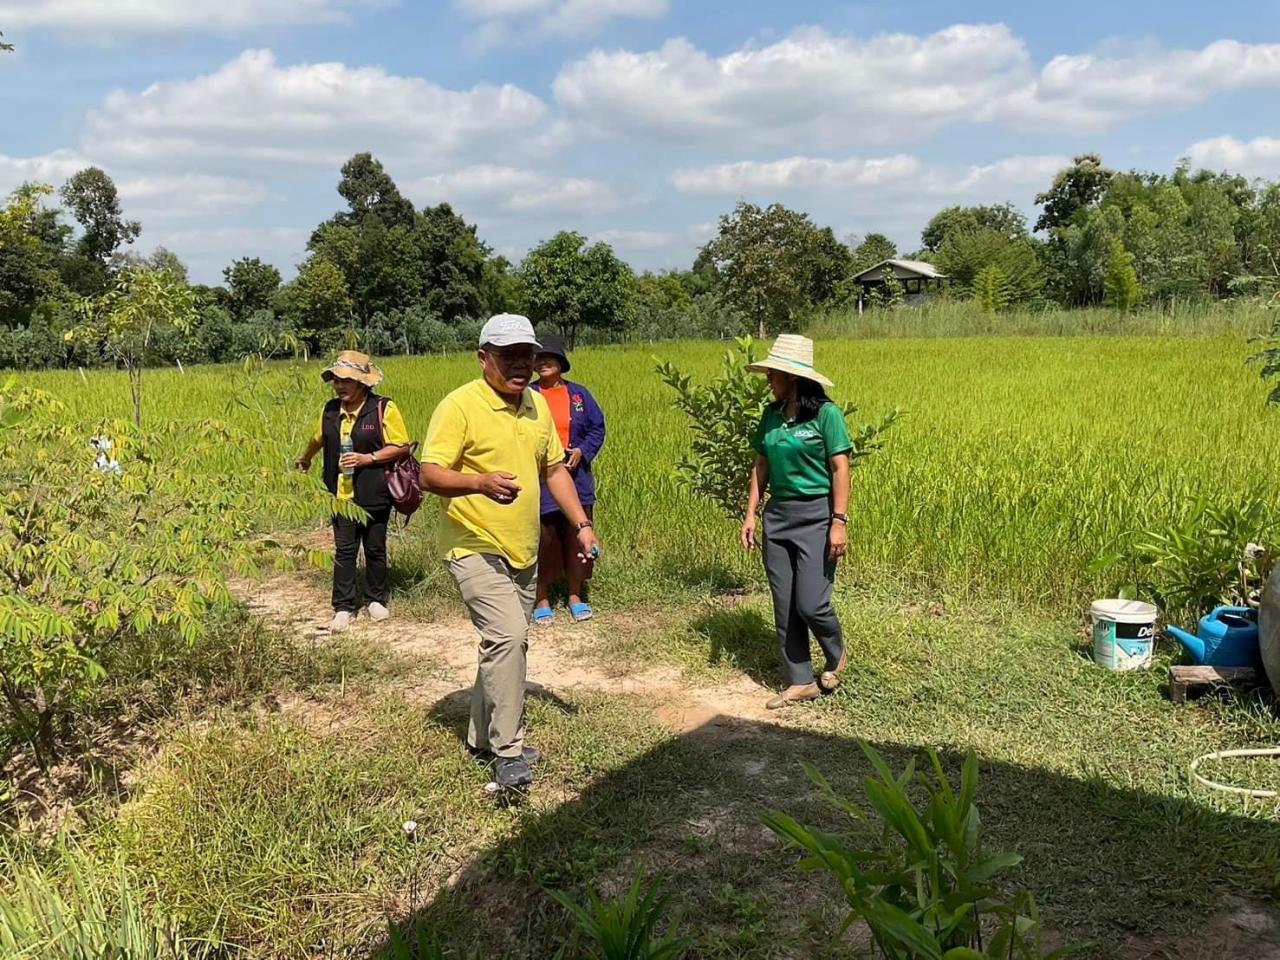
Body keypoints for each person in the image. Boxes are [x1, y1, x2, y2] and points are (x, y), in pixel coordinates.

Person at [420, 314, 601, 790]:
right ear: (484, 359)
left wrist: (581, 524)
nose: (522, 366)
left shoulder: (537, 405)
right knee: (508, 638)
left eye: (528, 356)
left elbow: (556, 470)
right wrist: (477, 482)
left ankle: (482, 738)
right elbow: (429, 474)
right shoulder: (460, 406)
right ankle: (508, 749)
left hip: (523, 550)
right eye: (509, 357)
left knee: (504, 643)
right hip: (473, 543)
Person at [740, 335, 852, 710]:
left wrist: (839, 521)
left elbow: (840, 468)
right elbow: (761, 465)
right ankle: (800, 679)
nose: (769, 377)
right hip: (779, 516)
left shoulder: (826, 414)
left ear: (794, 376)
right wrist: (751, 513)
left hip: (817, 515)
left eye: (774, 372)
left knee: (812, 603)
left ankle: (836, 654)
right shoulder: (771, 416)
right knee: (785, 602)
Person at [296, 351, 411, 633]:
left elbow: (401, 446)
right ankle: (344, 607)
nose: (339, 385)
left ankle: (375, 599)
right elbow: (317, 438)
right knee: (345, 551)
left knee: (375, 548)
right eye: (336, 380)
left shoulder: (382, 408)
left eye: (346, 380)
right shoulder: (331, 410)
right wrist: (306, 458)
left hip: (375, 491)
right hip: (341, 495)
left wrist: (367, 458)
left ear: (362, 383)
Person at [530, 334, 607, 624]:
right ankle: (541, 597)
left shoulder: (579, 396)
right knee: (544, 539)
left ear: (561, 363)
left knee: (578, 537)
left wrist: (582, 451)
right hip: (541, 479)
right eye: (538, 358)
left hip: (576, 479)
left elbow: (597, 428)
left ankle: (575, 594)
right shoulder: (527, 395)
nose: (543, 362)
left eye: (550, 357)